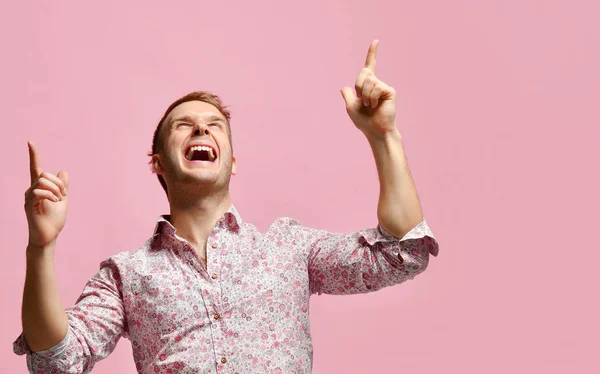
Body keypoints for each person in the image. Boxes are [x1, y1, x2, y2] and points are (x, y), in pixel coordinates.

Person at [13, 40, 439, 373]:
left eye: (215, 125)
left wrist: (385, 136)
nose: (201, 126)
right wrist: (40, 248)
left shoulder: (289, 249)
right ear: (157, 163)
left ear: (232, 162)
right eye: (184, 124)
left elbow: (402, 253)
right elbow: (57, 361)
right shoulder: (126, 275)